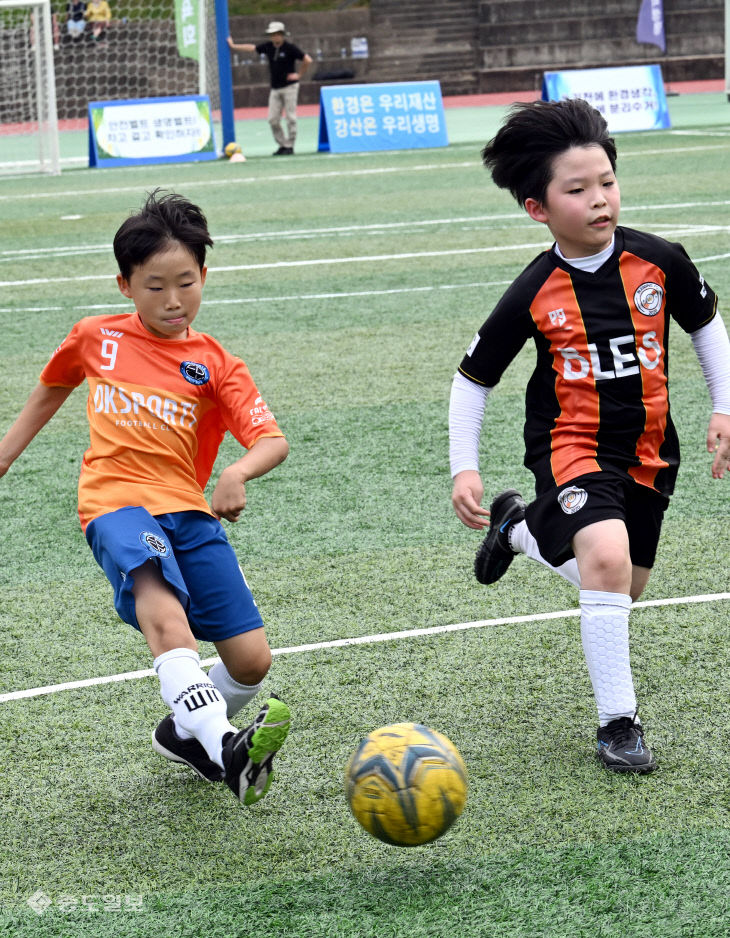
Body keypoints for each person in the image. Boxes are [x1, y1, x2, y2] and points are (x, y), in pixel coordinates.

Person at [449, 98, 730, 774]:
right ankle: (617, 726)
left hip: (651, 453)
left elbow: (705, 327)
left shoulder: (660, 261)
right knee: (603, 560)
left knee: (620, 589)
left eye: (606, 181)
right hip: (570, 445)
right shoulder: (534, 290)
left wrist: (725, 407)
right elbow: (473, 377)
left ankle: (517, 530)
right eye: (577, 189)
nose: (599, 199)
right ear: (537, 207)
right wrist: (464, 467)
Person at [0, 190, 291, 805]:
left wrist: (238, 472)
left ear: (204, 276)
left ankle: (186, 733)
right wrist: (4, 455)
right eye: (154, 286)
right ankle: (226, 748)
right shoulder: (93, 338)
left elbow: (271, 438)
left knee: (251, 662)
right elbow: (51, 389)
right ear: (124, 285)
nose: (174, 300)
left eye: (186, 282)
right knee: (167, 617)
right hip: (115, 503)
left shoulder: (216, 364)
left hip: (188, 509)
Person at [227, 21, 312, 156]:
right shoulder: (268, 47)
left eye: (277, 34)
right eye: (272, 34)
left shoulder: (290, 48)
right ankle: (282, 144)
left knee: (291, 117)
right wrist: (234, 46)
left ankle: (290, 145)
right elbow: (252, 48)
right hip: (275, 88)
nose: (274, 37)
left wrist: (299, 75)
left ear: (282, 35)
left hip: (290, 87)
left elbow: (307, 59)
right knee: (273, 119)